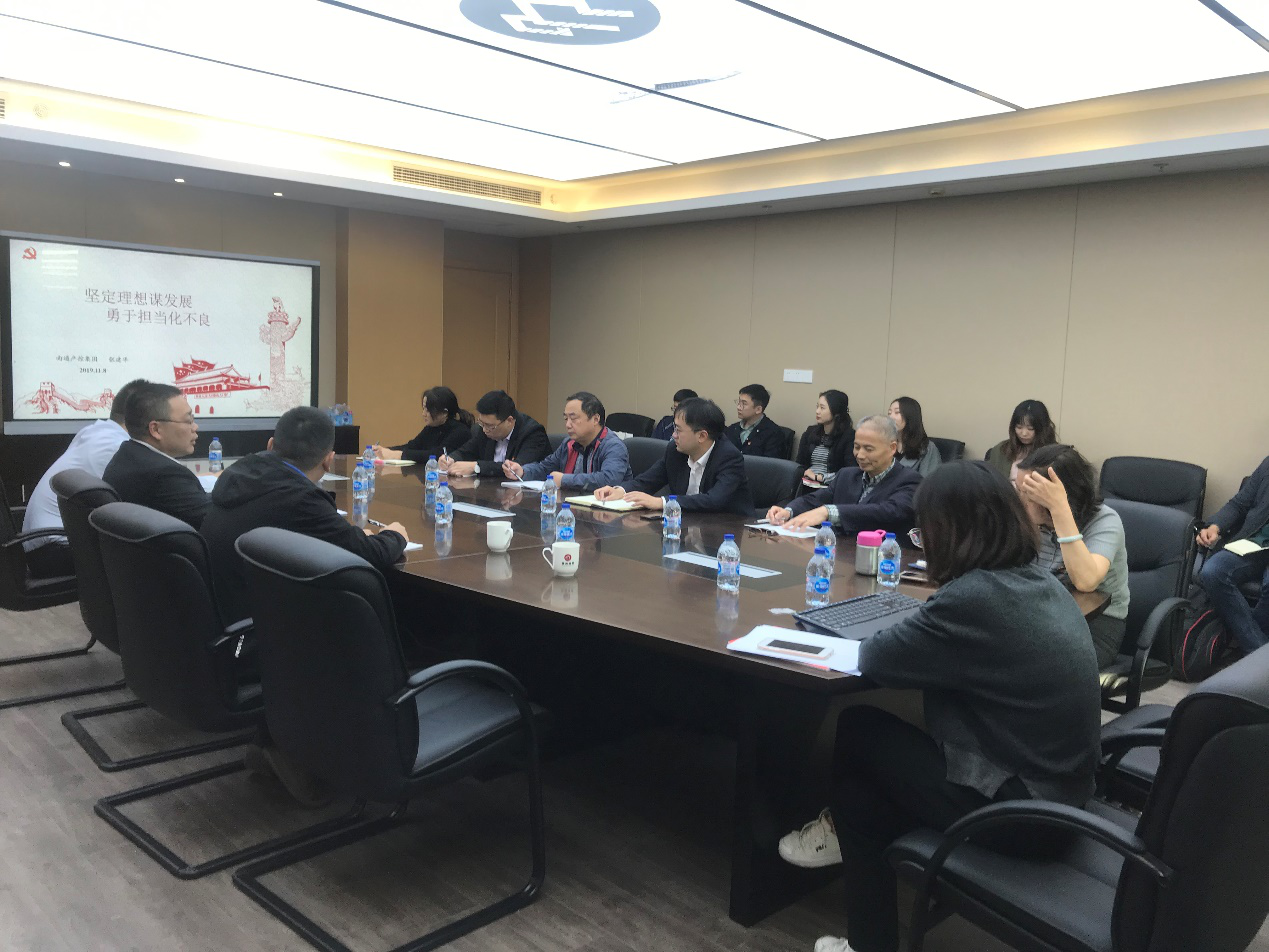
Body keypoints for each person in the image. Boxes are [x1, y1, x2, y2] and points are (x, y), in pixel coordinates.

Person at [777, 461, 1101, 952]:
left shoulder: (975, 597)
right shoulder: (1037, 582)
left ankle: (843, 851)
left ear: (947, 531)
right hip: (1063, 798)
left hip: (1022, 814)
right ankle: (864, 923)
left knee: (861, 728)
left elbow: (876, 658)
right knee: (862, 796)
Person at [201, 403, 408, 625]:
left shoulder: (235, 475)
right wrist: (394, 535)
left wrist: (349, 536)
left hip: (221, 617)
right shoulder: (301, 499)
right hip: (263, 628)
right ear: (328, 460)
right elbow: (369, 554)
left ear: (270, 445)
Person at [21, 378, 149, 578]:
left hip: (42, 548)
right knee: (158, 558)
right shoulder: (114, 446)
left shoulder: (96, 432)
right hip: (55, 551)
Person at [1015, 444, 1130, 668]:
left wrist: (1059, 510)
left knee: (1025, 668)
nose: (1021, 501)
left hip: (1094, 627)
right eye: (1019, 489)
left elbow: (1086, 581)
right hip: (1037, 615)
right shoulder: (1028, 519)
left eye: (1029, 493)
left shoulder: (1105, 520)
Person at [594, 397, 752, 516]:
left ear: (702, 436)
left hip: (727, 531)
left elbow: (714, 500)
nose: (673, 435)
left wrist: (662, 502)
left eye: (678, 430)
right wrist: (621, 491)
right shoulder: (675, 451)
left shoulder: (729, 457)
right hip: (685, 526)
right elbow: (647, 481)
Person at [768, 415, 920, 536]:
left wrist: (829, 512)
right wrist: (788, 511)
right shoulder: (846, 475)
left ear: (892, 448)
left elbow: (887, 512)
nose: (860, 455)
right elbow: (814, 500)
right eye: (857, 447)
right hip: (839, 553)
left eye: (868, 449)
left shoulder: (910, 480)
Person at [103, 382, 209, 529]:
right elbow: (214, 521)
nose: (195, 427)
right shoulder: (165, 475)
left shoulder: (127, 454)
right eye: (188, 421)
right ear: (156, 429)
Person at [1196, 455, 1269, 653]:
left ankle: (1254, 654)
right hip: (1254, 543)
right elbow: (1239, 504)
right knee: (1212, 572)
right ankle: (1259, 653)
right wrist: (1215, 526)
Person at [503, 391, 631, 492]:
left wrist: (564, 480)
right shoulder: (569, 444)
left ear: (595, 419)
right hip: (571, 507)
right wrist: (522, 471)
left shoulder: (613, 446)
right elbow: (545, 468)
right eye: (566, 419)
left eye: (573, 418)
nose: (568, 425)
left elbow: (608, 480)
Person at [438, 390, 550, 477]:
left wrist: (476, 467)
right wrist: (451, 458)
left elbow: (516, 468)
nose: (484, 430)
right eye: (481, 423)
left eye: (489, 426)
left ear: (509, 421)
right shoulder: (486, 429)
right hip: (491, 491)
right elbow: (466, 451)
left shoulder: (533, 433)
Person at [371, 386, 473, 463]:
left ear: (444, 413)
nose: (423, 414)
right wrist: (384, 450)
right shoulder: (431, 428)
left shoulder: (460, 431)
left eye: (428, 410)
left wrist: (397, 455)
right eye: (424, 408)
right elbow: (412, 446)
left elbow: (437, 455)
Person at [985, 399, 1057, 482]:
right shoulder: (1000, 450)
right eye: (1019, 427)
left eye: (1030, 429)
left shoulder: (1055, 455)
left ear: (1042, 429)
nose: (1024, 433)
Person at [795, 390, 855, 488]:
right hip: (805, 483)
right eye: (817, 407)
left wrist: (820, 477)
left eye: (822, 408)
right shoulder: (810, 432)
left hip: (830, 487)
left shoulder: (849, 436)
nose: (817, 411)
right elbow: (799, 463)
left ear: (836, 411)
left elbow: (850, 472)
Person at [724, 384, 786, 458]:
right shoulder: (732, 429)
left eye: (744, 404)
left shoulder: (774, 434)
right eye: (739, 402)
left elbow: (770, 463)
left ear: (758, 409)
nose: (738, 407)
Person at [887, 396, 942, 477]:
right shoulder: (885, 442)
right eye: (889, 413)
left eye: (897, 412)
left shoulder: (927, 448)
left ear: (910, 416)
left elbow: (928, 481)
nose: (891, 417)